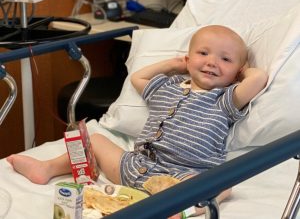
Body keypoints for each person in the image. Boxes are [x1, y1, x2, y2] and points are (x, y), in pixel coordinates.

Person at [6, 25, 268, 217]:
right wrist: (174, 64)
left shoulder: (224, 99)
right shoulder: (169, 86)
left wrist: (243, 71)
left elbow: (258, 79)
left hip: (184, 177)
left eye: (225, 59)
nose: (212, 62)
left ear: (236, 73)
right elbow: (138, 78)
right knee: (95, 140)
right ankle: (48, 168)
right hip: (137, 166)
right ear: (188, 59)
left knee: (225, 184)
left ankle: (185, 210)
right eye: (203, 53)